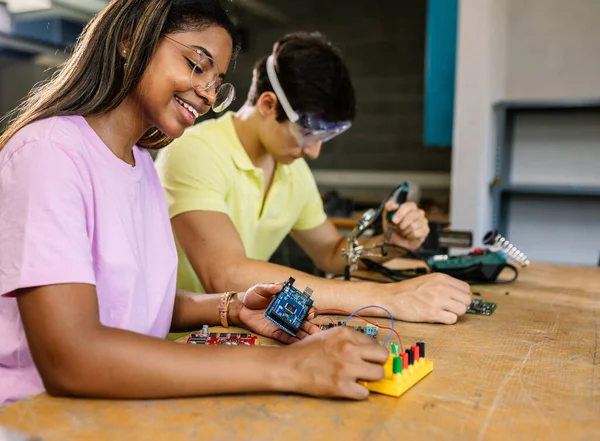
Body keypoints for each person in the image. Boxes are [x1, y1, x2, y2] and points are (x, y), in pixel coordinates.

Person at [0, 0, 391, 406]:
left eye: (216, 81)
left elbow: (133, 299)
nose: (206, 94)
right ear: (130, 39)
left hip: (120, 410)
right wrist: (290, 366)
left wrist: (232, 307)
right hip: (37, 418)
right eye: (197, 64)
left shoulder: (142, 166)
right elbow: (73, 357)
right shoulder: (48, 154)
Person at [154, 32, 472, 325]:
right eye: (307, 133)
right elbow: (225, 274)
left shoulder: (293, 171)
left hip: (238, 335)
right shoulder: (196, 150)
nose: (315, 152)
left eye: (325, 137)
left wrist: (387, 246)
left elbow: (332, 252)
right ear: (268, 104)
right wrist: (388, 297)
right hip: (175, 342)